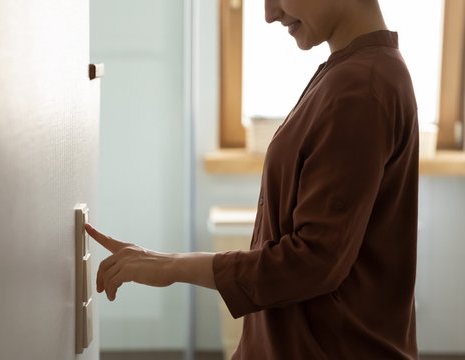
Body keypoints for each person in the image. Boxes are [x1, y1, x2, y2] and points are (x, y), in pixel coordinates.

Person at [86, 0, 419, 358]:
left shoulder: (362, 87)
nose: (270, 13)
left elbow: (312, 263)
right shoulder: (351, 73)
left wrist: (170, 266)